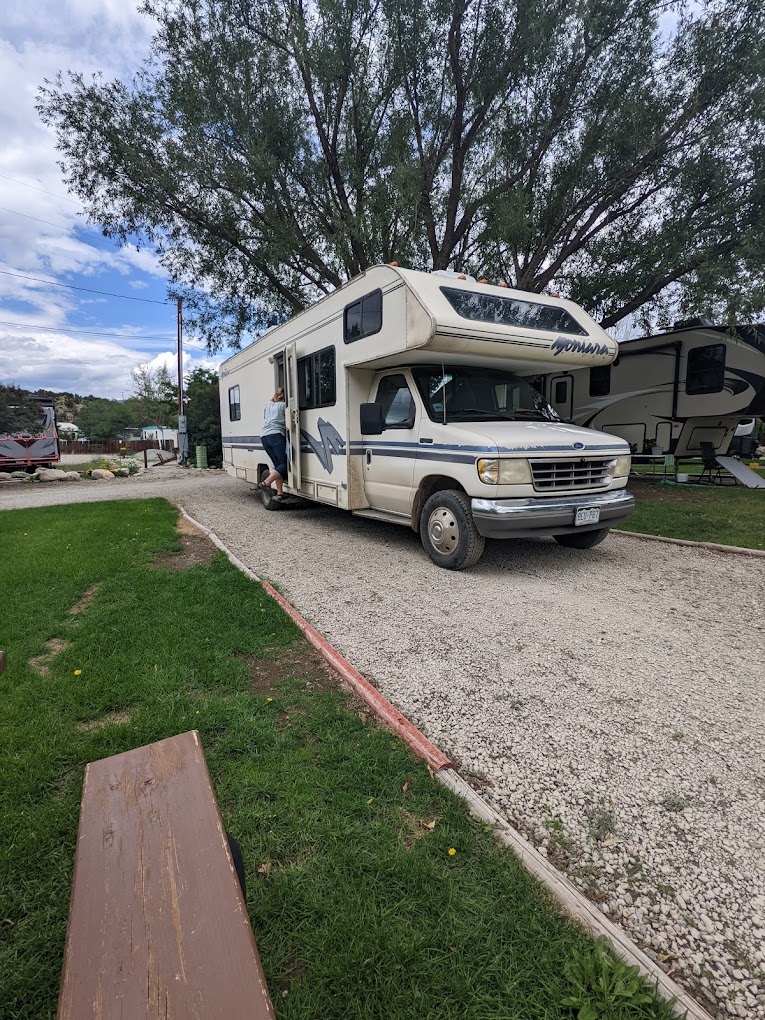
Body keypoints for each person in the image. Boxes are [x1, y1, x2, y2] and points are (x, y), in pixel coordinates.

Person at [260, 386, 288, 500]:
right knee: (284, 465)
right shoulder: (283, 405)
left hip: (264, 436)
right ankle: (266, 483)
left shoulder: (268, 405)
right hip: (276, 436)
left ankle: (280, 493)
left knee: (278, 466)